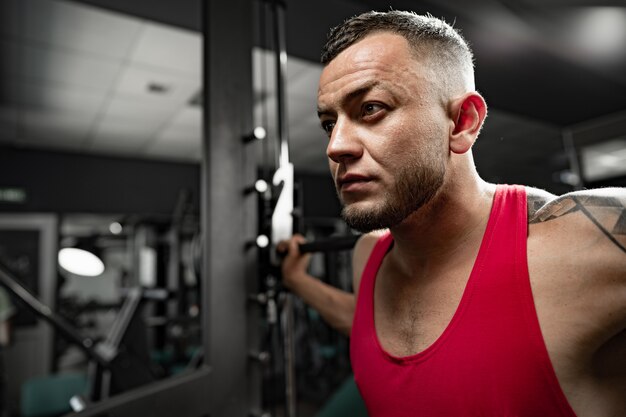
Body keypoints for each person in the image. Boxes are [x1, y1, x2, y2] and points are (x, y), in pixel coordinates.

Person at [279, 10, 626, 417]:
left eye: (370, 108)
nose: (335, 146)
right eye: (328, 123)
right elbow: (372, 330)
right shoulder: (369, 256)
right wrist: (297, 281)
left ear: (462, 122)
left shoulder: (586, 242)